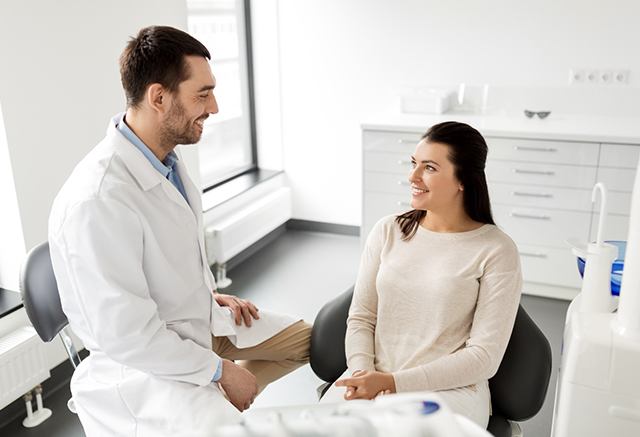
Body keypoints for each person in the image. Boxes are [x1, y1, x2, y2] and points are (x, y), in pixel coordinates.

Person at [48, 26, 310, 436]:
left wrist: (203, 294)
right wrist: (219, 371)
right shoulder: (97, 200)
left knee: (311, 342)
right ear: (158, 97)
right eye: (202, 94)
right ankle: (221, 399)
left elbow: (165, 255)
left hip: (196, 321)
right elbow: (128, 336)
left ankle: (225, 393)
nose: (215, 107)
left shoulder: (164, 160)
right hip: (145, 369)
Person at [326, 121, 522, 428]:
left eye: (429, 167)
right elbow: (362, 317)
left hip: (450, 391)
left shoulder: (496, 250)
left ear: (463, 180)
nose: (412, 177)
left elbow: (484, 357)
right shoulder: (388, 230)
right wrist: (362, 375)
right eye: (414, 164)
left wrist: (392, 383)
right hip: (372, 378)